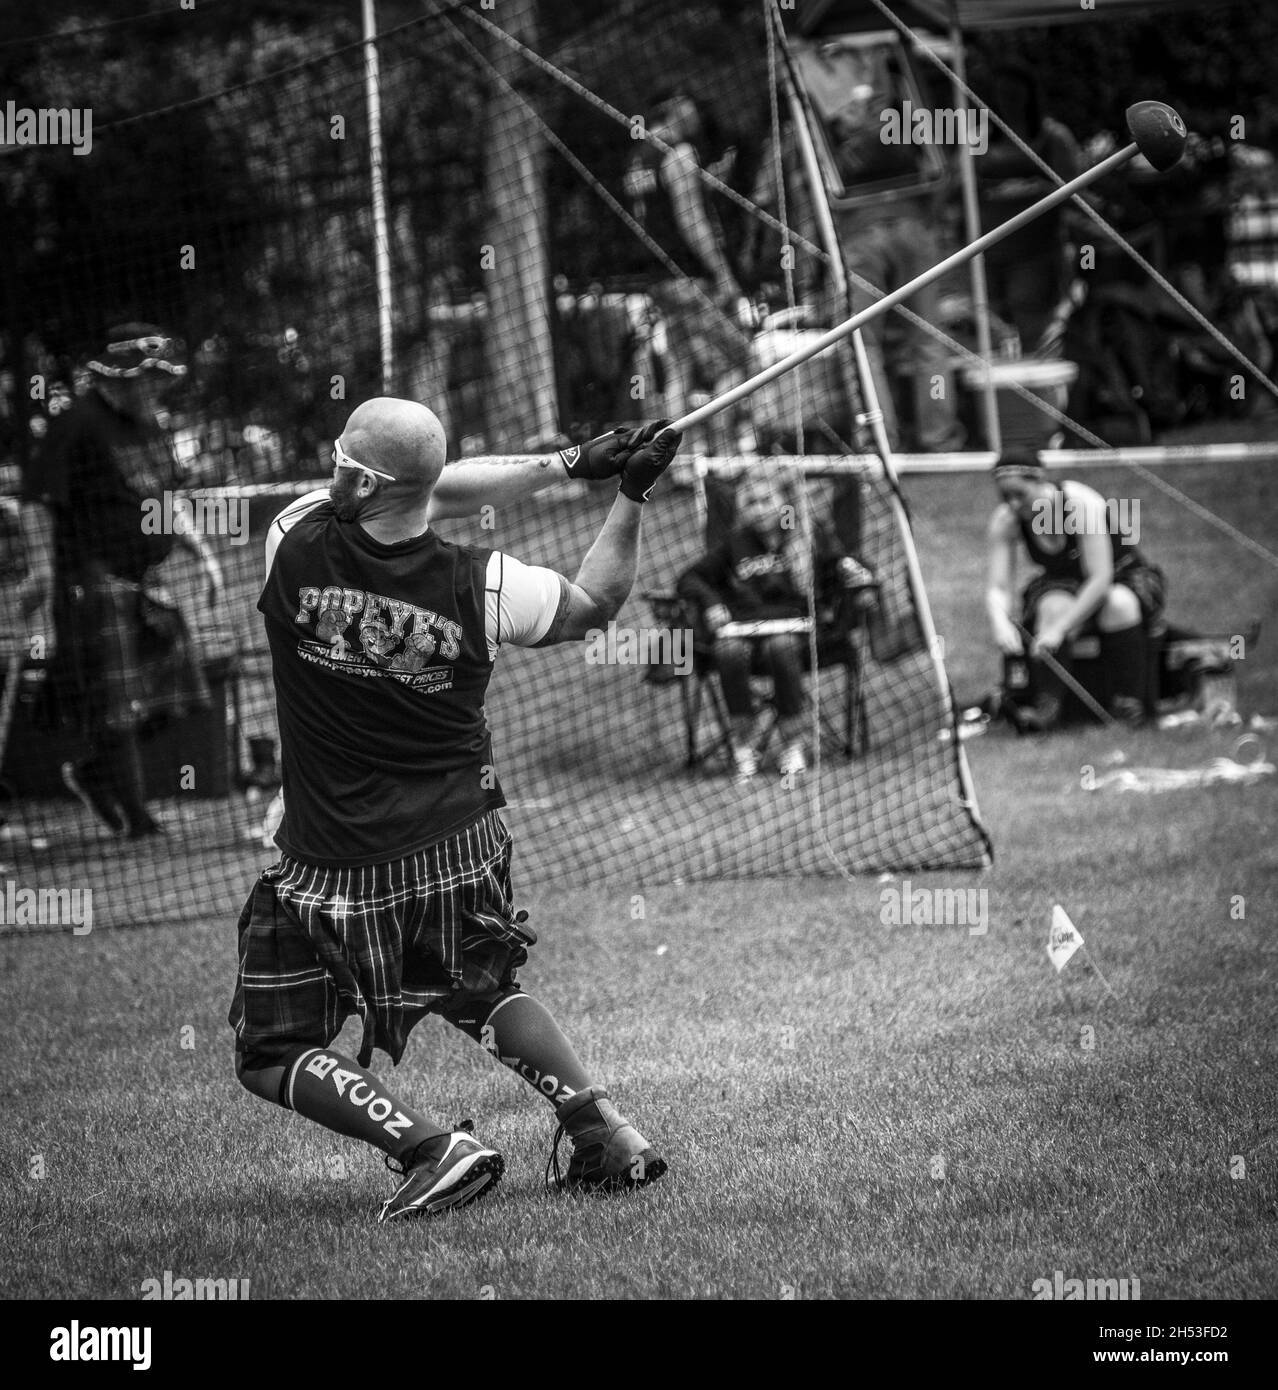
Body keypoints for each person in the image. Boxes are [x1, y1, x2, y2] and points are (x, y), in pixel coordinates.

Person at [228, 397, 681, 1221]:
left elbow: (428, 490)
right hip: (456, 845)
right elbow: (595, 603)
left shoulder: (290, 540)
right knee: (476, 986)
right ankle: (605, 1132)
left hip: (338, 860)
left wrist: (571, 464)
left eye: (341, 460)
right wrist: (621, 490)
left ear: (360, 479)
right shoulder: (490, 583)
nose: (329, 469)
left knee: (271, 1050)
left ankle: (431, 1149)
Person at [17, 324, 223, 837]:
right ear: (119, 377)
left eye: (159, 379)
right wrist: (42, 570)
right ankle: (138, 820)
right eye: (146, 379)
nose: (155, 389)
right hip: (91, 577)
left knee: (181, 682)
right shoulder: (78, 423)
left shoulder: (150, 426)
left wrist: (204, 556)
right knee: (118, 705)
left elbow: (167, 501)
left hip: (142, 578)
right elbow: (36, 502)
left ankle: (92, 773)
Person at [677, 473, 872, 781]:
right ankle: (744, 744)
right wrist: (713, 603)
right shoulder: (736, 542)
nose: (760, 509)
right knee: (727, 649)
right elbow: (690, 578)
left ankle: (793, 743)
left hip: (802, 637)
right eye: (751, 503)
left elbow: (838, 561)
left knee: (780, 646)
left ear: (784, 503)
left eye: (767, 500)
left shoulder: (803, 533)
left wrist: (847, 567)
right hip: (746, 632)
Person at [986, 449, 1166, 729]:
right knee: (1052, 607)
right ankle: (1047, 709)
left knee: (1118, 604)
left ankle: (1129, 705)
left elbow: (1100, 579)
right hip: (1065, 582)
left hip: (1117, 576)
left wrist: (1060, 629)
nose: (1013, 503)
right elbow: (998, 586)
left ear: (1039, 480)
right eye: (1005, 496)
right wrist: (1000, 622)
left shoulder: (1078, 504)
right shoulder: (1006, 520)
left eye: (1019, 493)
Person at [625, 93, 751, 452]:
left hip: (657, 279)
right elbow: (691, 219)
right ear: (676, 110)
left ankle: (673, 459)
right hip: (690, 276)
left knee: (680, 367)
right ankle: (725, 451)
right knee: (740, 360)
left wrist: (705, 181)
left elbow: (651, 214)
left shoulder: (639, 157)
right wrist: (723, 273)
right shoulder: (679, 152)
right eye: (690, 110)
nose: (697, 117)